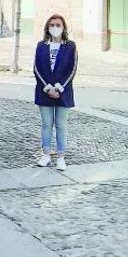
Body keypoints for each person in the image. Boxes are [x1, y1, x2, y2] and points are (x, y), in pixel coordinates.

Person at [33, 14, 78, 171]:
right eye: (52, 24)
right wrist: (47, 87)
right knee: (46, 125)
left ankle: (60, 157)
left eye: (58, 25)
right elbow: (36, 68)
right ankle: (46, 155)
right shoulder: (41, 46)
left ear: (63, 27)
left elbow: (72, 69)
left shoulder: (70, 46)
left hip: (63, 92)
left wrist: (59, 88)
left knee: (61, 125)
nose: (55, 27)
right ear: (47, 27)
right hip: (44, 91)